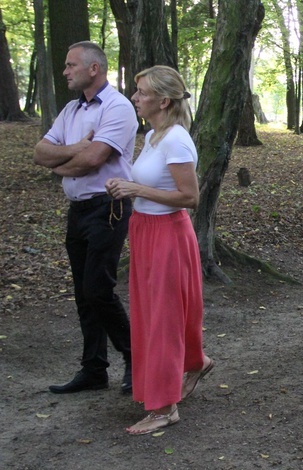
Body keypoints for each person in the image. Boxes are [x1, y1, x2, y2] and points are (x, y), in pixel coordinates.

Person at [105, 65, 212, 435]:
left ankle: (165, 407)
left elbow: (190, 197)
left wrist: (137, 190)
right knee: (152, 313)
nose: (135, 98)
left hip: (168, 234)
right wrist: (126, 187)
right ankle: (195, 362)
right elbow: (154, 184)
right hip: (146, 230)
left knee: (163, 319)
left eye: (142, 93)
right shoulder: (153, 136)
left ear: (163, 100)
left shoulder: (176, 140)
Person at [33, 41, 135, 395]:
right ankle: (94, 369)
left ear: (94, 69)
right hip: (78, 211)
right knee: (82, 292)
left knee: (97, 288)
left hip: (108, 207)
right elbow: (40, 152)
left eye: (71, 65)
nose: (65, 72)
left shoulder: (118, 107)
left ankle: (135, 357)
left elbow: (95, 159)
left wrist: (64, 165)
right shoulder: (71, 111)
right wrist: (76, 148)